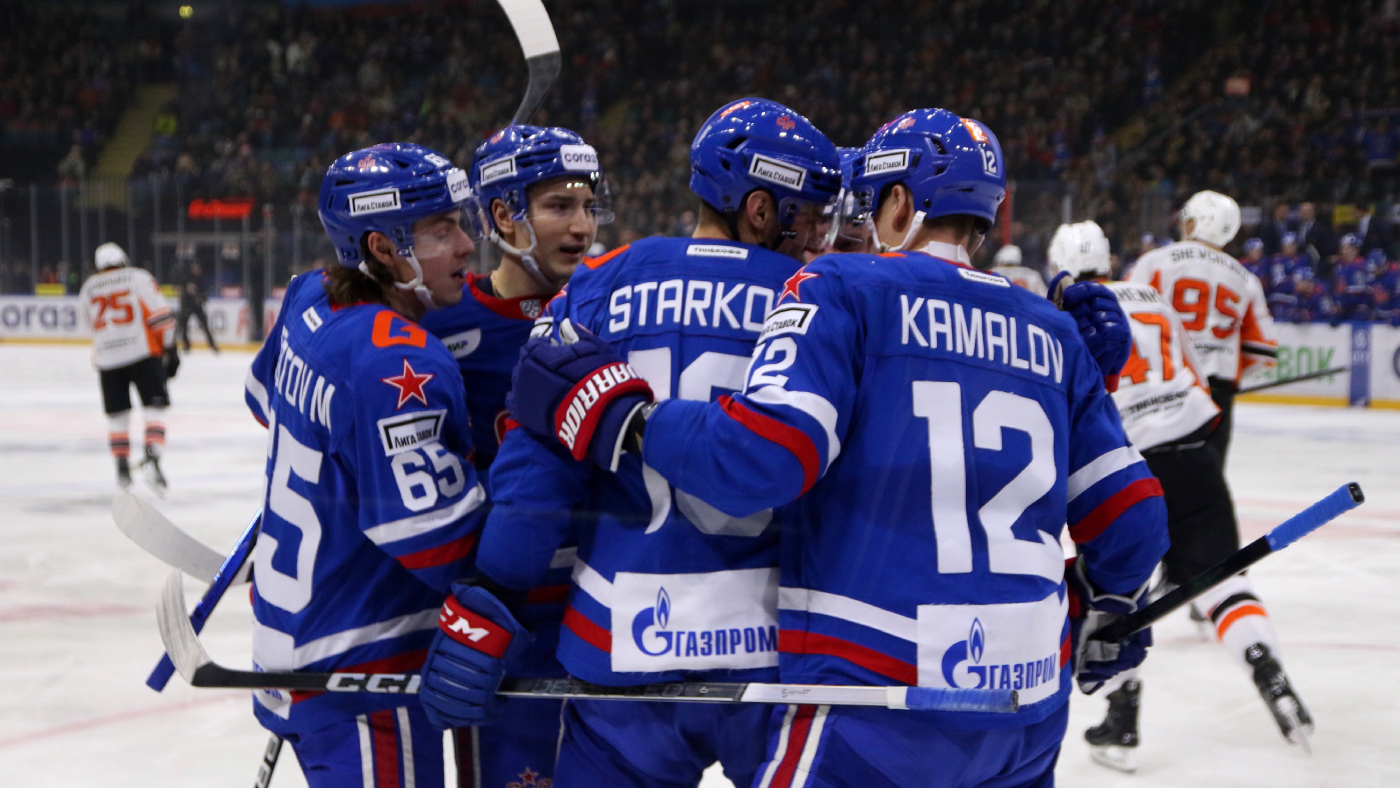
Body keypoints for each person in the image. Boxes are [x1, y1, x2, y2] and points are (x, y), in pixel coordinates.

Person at [505, 108, 1168, 788]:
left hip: (875, 695)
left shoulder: (844, 289)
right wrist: (1110, 605)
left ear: (900, 202)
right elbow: (1135, 520)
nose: (846, 228)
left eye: (869, 203)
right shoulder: (1053, 329)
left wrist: (627, 416)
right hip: (1026, 709)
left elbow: (765, 455)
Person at [424, 98, 843, 788]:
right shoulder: (820, 298)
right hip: (774, 652)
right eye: (808, 216)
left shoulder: (600, 284)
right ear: (761, 209)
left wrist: (489, 597)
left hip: (618, 643)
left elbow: (536, 475)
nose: (817, 236)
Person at [243, 143, 494, 788]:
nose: (467, 245)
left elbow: (264, 402)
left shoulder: (308, 296)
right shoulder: (398, 362)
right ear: (383, 248)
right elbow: (441, 544)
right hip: (361, 673)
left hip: (291, 638)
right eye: (442, 230)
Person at [1047, 221, 1314, 772]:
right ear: (1110, 258)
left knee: (1114, 597)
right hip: (1194, 454)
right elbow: (1198, 377)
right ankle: (1266, 667)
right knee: (1222, 580)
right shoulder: (1153, 298)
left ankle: (1122, 723)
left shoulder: (1064, 314)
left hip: (1125, 466)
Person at [417, 125, 612, 788]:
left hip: (607, 611)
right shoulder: (437, 326)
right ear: (503, 215)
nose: (582, 225)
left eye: (588, 205)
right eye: (560, 205)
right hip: (504, 620)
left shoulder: (615, 307)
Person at [1127, 190, 1276, 464]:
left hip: (1163, 386)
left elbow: (1126, 318)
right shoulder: (1246, 278)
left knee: (1153, 473)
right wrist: (1221, 377)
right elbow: (1263, 351)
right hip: (1218, 393)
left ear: (1196, 223)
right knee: (1208, 480)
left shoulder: (1154, 262)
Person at [79, 242, 176, 492]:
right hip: (143, 353)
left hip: (107, 359)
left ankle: (122, 469)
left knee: (118, 417)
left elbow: (87, 325)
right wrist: (169, 348)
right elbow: (160, 315)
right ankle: (153, 458)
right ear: (123, 259)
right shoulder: (137, 277)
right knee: (154, 408)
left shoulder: (88, 287)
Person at [176, 260, 218, 353]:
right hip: (187, 305)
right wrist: (185, 289)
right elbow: (178, 287)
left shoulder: (201, 279)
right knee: (184, 325)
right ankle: (186, 345)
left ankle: (212, 345)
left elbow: (205, 293)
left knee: (205, 325)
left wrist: (199, 296)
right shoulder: (186, 277)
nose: (196, 269)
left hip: (197, 306)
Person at [1332, 233, 1372, 321]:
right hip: (1344, 304)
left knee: (1360, 315)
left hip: (1361, 303)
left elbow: (1368, 291)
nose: (1343, 250)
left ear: (1355, 249)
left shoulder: (1364, 265)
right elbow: (1337, 289)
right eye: (1343, 247)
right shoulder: (1339, 266)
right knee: (1333, 318)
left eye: (1346, 247)